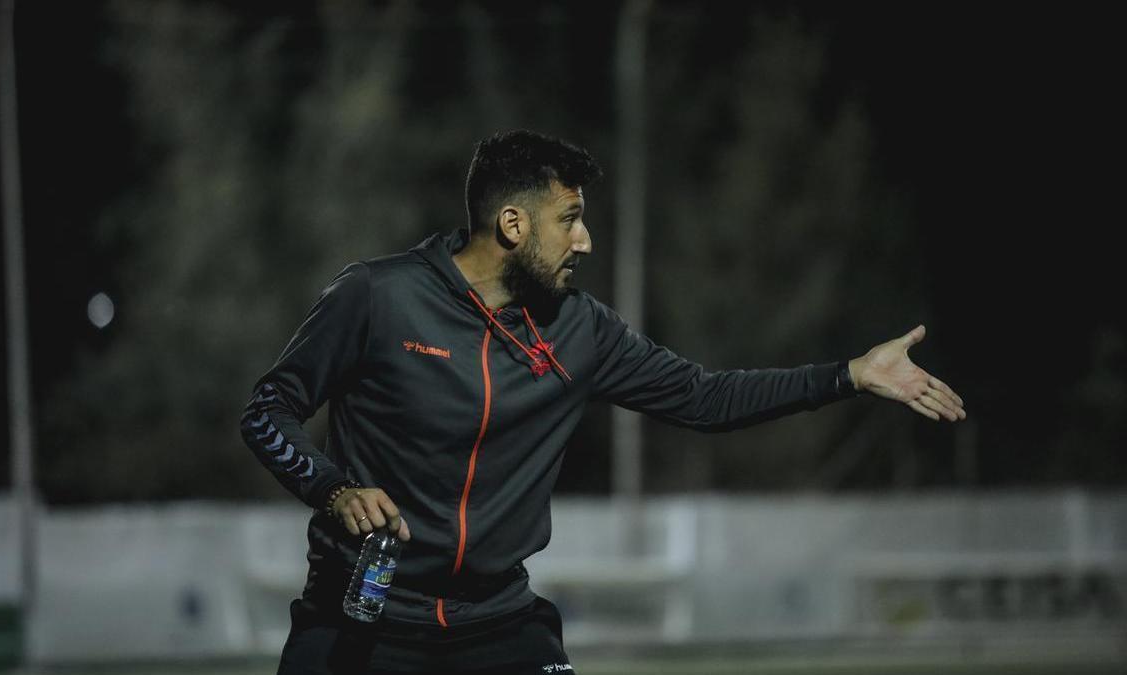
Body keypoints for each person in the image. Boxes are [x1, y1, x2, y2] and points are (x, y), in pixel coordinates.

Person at [239, 129, 966, 675]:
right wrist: (334, 490)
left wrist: (849, 374)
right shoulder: (378, 296)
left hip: (498, 624)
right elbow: (266, 409)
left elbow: (704, 396)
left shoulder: (582, 329)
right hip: (362, 616)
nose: (584, 238)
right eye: (571, 218)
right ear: (514, 225)